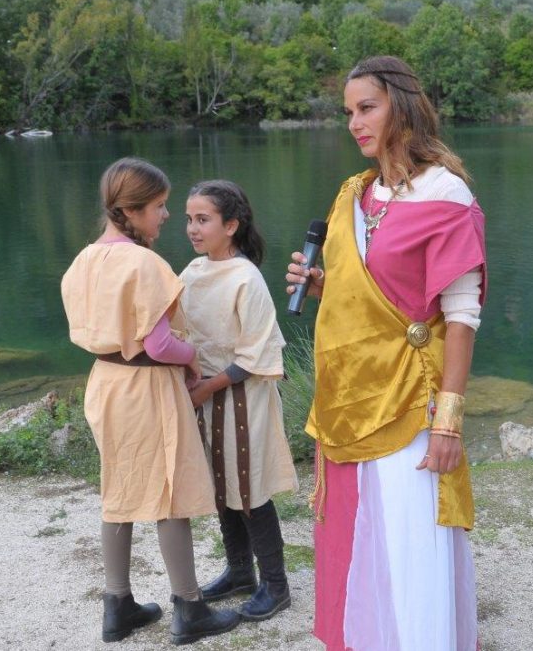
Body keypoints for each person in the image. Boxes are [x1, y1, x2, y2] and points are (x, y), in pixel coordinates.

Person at [285, 56, 487, 650]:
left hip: (409, 402)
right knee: (359, 536)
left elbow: (461, 313)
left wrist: (448, 421)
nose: (354, 122)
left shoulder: (445, 193)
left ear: (402, 106)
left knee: (405, 543)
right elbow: (375, 296)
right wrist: (324, 286)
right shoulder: (357, 194)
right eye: (348, 111)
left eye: (366, 108)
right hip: (349, 398)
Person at [60, 157, 240, 645]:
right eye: (159, 206)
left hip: (106, 382)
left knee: (118, 490)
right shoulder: (143, 264)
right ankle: (190, 607)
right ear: (132, 211)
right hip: (145, 386)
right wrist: (192, 357)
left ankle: (117, 605)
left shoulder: (83, 261)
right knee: (168, 491)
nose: (166, 215)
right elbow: (159, 345)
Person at [178, 180, 299, 621]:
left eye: (203, 219)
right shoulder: (192, 272)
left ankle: (276, 585)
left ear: (231, 225)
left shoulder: (246, 278)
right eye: (189, 219)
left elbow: (254, 356)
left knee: (249, 489)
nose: (192, 228)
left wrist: (204, 388)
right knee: (220, 485)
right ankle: (240, 572)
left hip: (242, 396)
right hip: (206, 396)